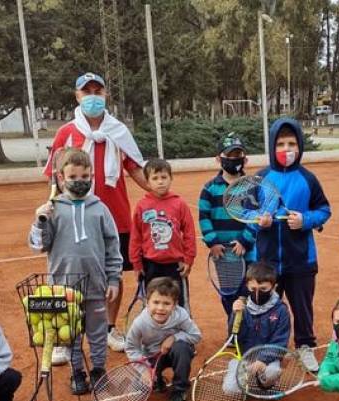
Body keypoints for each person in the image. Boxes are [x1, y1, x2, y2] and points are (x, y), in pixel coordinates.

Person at [44, 72, 148, 360]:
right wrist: (53, 208)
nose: (92, 96)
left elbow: (135, 167)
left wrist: (157, 193)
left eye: (97, 91)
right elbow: (53, 174)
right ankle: (66, 338)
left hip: (115, 215)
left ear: (105, 95)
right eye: (86, 91)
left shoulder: (118, 131)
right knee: (69, 277)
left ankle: (110, 328)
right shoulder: (67, 132)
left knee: (113, 273)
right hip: (73, 215)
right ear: (77, 96)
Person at [31, 148, 123, 395]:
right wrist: (39, 220)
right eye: (73, 177)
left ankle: (98, 371)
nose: (80, 182)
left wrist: (113, 278)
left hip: (96, 285)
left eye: (85, 177)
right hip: (63, 286)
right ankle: (77, 373)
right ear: (61, 178)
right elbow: (39, 245)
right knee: (70, 333)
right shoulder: (53, 209)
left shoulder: (100, 209)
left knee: (97, 332)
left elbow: (113, 246)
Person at [255, 117, 332, 372]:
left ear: (299, 146)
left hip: (301, 260)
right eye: (280, 143)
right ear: (271, 146)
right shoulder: (260, 178)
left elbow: (324, 210)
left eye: (291, 143)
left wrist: (306, 219)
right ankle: (268, 351)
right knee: (266, 307)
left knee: (302, 307)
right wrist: (259, 222)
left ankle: (305, 346)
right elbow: (246, 213)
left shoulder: (308, 179)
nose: (286, 149)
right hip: (267, 261)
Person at [198, 132, 256, 317]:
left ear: (245, 159)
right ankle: (234, 329)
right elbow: (204, 217)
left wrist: (244, 241)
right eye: (229, 155)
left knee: (250, 294)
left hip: (248, 252)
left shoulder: (251, 186)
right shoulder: (209, 188)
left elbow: (255, 217)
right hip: (222, 253)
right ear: (218, 158)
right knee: (229, 295)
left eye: (238, 155)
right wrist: (213, 242)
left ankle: (250, 331)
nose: (234, 159)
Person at [125, 277, 202, 401]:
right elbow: (131, 347)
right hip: (153, 356)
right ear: (147, 302)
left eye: (166, 303)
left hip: (175, 353)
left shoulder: (181, 315)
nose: (160, 308)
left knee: (182, 348)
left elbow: (196, 335)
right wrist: (144, 370)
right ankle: (157, 379)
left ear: (175, 304)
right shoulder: (140, 322)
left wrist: (174, 337)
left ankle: (179, 390)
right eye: (156, 302)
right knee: (140, 387)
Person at [129, 158, 196, 309]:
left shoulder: (179, 204)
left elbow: (189, 233)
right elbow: (136, 237)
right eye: (155, 178)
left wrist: (188, 259)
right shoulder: (142, 206)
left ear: (171, 179)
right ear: (147, 182)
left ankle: (180, 332)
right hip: (150, 265)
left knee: (178, 305)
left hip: (175, 265)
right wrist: (136, 263)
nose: (160, 182)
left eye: (164, 177)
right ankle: (153, 332)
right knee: (153, 303)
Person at [222, 262, 291, 394]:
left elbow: (280, 341)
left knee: (272, 372)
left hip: (268, 358)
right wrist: (235, 315)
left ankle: (267, 380)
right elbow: (234, 335)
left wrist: (262, 360)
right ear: (247, 286)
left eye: (263, 289)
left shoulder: (281, 310)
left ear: (274, 287)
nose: (258, 293)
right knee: (230, 390)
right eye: (253, 289)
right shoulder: (242, 306)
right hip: (245, 357)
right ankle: (240, 369)